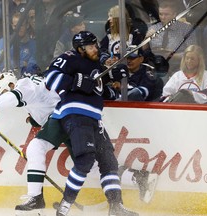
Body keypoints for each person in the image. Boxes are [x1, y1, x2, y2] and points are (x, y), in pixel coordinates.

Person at [0, 70, 157, 215]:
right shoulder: (34, 89)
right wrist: (34, 121)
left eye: (5, 91)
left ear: (12, 85)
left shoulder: (24, 84)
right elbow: (42, 110)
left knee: (36, 147)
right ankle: (139, 178)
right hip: (77, 118)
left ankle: (35, 197)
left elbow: (16, 96)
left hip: (66, 116)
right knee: (92, 168)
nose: (6, 95)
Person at [44, 30, 139, 216]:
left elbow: (101, 89)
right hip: (75, 114)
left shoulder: (97, 64)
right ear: (80, 49)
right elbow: (51, 77)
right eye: (91, 46)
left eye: (96, 45)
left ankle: (116, 207)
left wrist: (115, 75)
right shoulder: (70, 58)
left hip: (95, 118)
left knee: (109, 162)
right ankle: (65, 205)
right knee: (85, 160)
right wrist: (76, 82)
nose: (96, 48)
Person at [145, 1, 197, 75]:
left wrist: (172, 55)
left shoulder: (185, 29)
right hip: (155, 66)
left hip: (178, 66)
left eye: (166, 14)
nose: (163, 17)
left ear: (174, 14)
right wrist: (146, 39)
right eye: (161, 14)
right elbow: (143, 52)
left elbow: (193, 53)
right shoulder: (153, 28)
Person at [0, 11, 38, 76]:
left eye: (21, 25)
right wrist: (21, 63)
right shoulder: (3, 42)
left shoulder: (33, 44)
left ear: (27, 25)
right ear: (12, 26)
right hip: (6, 78)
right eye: (16, 26)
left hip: (25, 79)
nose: (19, 28)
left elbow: (33, 65)